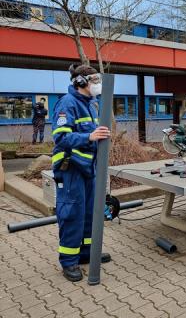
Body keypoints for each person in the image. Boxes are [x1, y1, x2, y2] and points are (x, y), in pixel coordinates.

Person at [51, 63, 112, 282]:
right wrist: (89, 137)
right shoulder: (67, 103)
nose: (98, 85)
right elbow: (60, 138)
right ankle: (69, 262)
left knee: (90, 214)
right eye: (95, 81)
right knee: (72, 215)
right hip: (70, 169)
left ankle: (86, 254)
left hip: (87, 169)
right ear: (80, 82)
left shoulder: (91, 104)